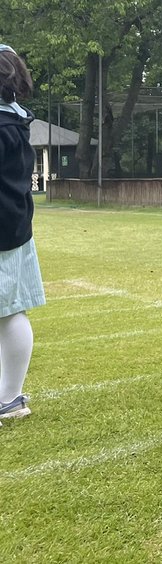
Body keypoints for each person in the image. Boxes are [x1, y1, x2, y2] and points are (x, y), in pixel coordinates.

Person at [0, 44, 43, 424]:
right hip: (15, 227)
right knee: (12, 311)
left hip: (7, 230)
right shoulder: (16, 122)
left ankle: (10, 397)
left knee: (11, 312)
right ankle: (9, 396)